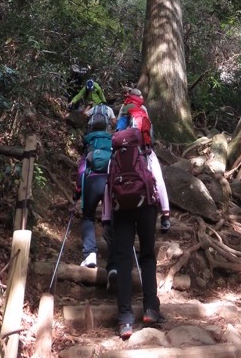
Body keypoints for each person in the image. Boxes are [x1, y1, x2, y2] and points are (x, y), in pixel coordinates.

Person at [102, 120, 171, 339]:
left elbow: (108, 186)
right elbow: (158, 182)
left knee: (123, 261)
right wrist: (166, 212)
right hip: (146, 208)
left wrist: (105, 218)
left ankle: (125, 319)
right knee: (148, 257)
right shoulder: (147, 153)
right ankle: (150, 309)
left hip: (121, 209)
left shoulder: (115, 157)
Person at [73, 114, 117, 286]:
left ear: (91, 128)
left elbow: (82, 168)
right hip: (109, 182)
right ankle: (113, 265)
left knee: (88, 217)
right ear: (106, 128)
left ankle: (90, 254)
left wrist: (78, 190)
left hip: (91, 181)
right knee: (109, 221)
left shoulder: (88, 143)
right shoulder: (112, 142)